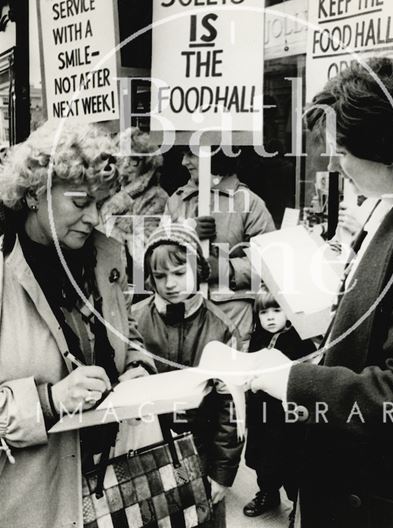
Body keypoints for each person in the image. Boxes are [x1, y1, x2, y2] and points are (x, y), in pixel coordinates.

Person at [250, 57, 393, 528]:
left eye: (342, 152)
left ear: (388, 150)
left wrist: (289, 380)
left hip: (381, 506)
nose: (334, 164)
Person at [0, 121, 155, 528]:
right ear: (35, 193)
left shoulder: (107, 258)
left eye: (100, 203)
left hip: (116, 484)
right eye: (81, 202)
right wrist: (50, 401)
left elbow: (128, 333)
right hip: (33, 501)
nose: (93, 218)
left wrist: (138, 368)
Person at [133, 222, 244, 527]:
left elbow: (231, 408)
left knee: (202, 516)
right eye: (160, 275)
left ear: (199, 269)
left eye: (180, 273)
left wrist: (222, 473)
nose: (170, 283)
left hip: (201, 450)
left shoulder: (220, 327)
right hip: (146, 452)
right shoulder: (135, 321)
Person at [165, 149, 275, 348]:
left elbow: (271, 264)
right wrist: (185, 233)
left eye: (191, 154)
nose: (184, 162)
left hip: (232, 317)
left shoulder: (249, 203)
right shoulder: (176, 201)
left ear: (215, 153)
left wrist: (224, 269)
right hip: (184, 317)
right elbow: (155, 261)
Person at [243, 290, 316, 525]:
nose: (270, 318)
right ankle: (268, 492)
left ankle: (298, 503)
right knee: (260, 455)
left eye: (277, 310)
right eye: (264, 312)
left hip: (285, 414)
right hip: (260, 411)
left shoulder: (298, 340)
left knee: (290, 458)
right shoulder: (258, 338)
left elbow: (304, 376)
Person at [100, 127, 169, 273]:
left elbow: (146, 248)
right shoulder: (112, 191)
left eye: (134, 160)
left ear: (147, 162)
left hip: (138, 277)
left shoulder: (157, 197)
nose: (125, 164)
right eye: (121, 157)